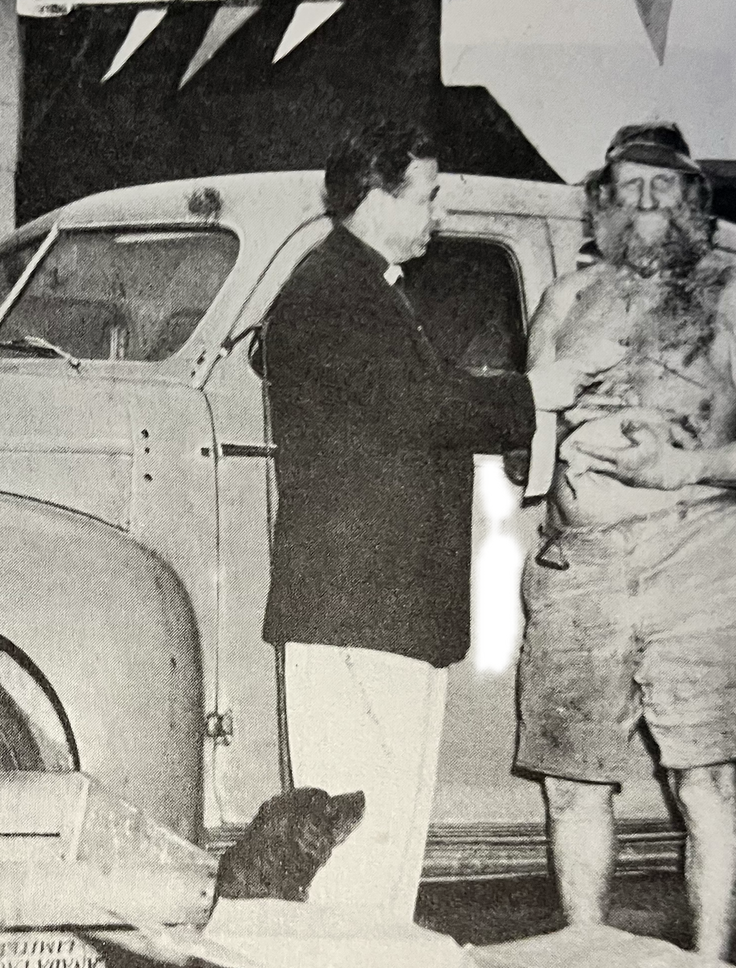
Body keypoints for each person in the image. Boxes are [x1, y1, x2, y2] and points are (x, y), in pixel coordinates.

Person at [260, 118, 612, 922]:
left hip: (384, 609)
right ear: (375, 197)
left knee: (384, 824)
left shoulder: (366, 287)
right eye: (427, 196)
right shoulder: (333, 289)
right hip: (356, 607)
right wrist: (535, 392)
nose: (439, 214)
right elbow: (420, 406)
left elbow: (408, 407)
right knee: (354, 825)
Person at [515, 122, 736, 968]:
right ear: (602, 201)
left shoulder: (732, 292)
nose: (644, 203)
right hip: (580, 568)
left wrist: (681, 466)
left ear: (692, 200)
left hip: (696, 554)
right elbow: (529, 436)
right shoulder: (565, 297)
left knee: (704, 780)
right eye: (628, 186)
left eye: (663, 187)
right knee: (571, 785)